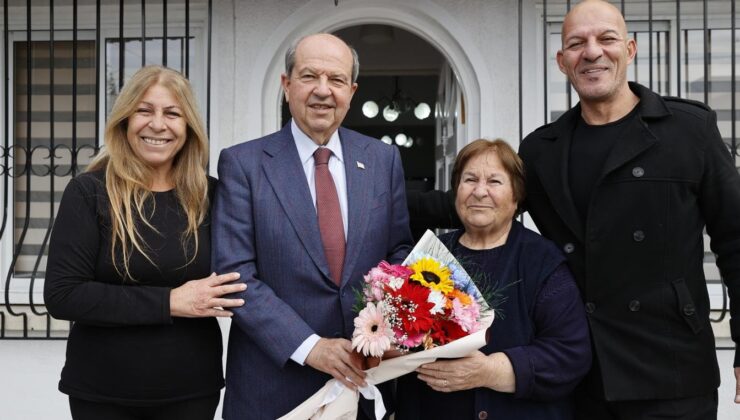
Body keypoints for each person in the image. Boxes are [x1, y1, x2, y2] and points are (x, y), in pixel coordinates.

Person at [518, 0, 740, 418]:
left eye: (607, 39)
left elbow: (736, 240)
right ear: (562, 61)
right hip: (580, 372)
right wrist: (383, 196)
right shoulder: (541, 151)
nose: (592, 52)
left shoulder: (689, 130)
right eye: (576, 43)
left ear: (631, 49)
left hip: (672, 369)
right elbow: (483, 206)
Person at [211, 33, 413, 419]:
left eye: (336, 80)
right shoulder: (244, 164)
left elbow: (397, 254)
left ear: (351, 91)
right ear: (287, 86)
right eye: (309, 76)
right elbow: (235, 274)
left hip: (363, 379)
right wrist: (310, 346)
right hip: (272, 384)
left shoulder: (383, 160)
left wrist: (385, 325)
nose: (323, 91)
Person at [44, 65, 245, 420]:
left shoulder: (212, 195)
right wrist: (169, 301)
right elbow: (63, 295)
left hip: (192, 390)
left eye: (172, 113)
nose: (158, 124)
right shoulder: (90, 192)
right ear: (124, 120)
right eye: (144, 110)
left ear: (188, 127)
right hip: (102, 393)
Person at [395, 139, 591, 420]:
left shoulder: (543, 261)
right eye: (469, 179)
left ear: (516, 196)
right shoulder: (428, 259)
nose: (479, 192)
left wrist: (490, 371)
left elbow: (571, 354)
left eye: (495, 182)